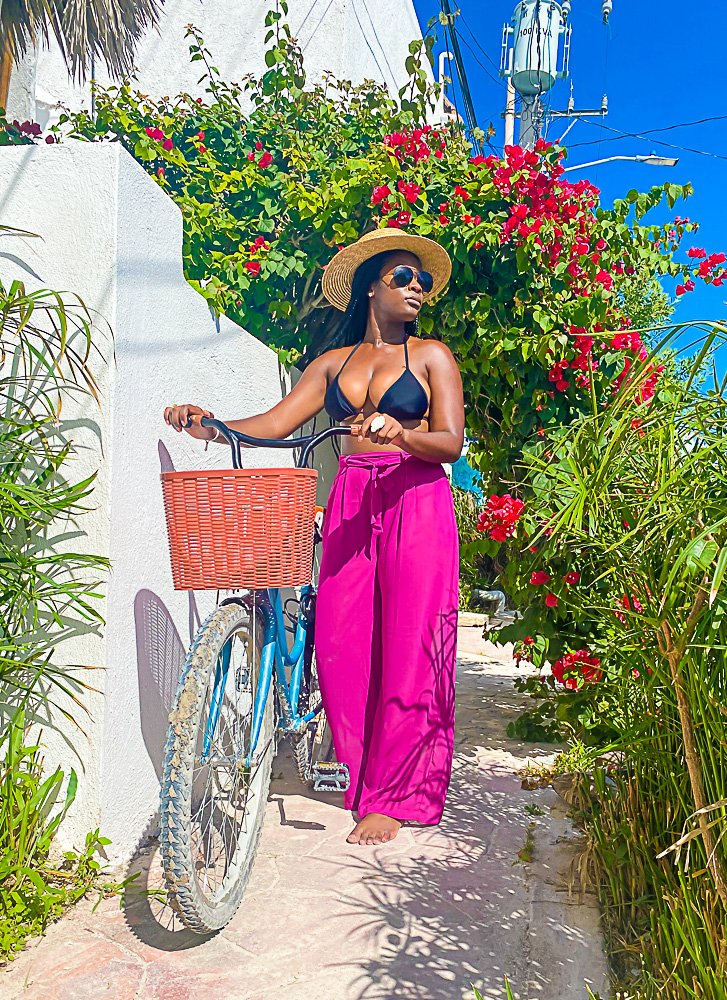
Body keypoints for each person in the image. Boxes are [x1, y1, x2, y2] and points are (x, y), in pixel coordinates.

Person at [164, 228, 464, 847]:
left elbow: (450, 442)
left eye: (424, 281)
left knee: (411, 641)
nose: (418, 290)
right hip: (353, 497)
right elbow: (275, 423)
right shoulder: (332, 365)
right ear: (371, 286)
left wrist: (400, 433)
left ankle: (394, 793)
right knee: (341, 638)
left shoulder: (432, 355)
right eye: (405, 278)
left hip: (415, 497)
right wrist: (211, 426)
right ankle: (362, 771)